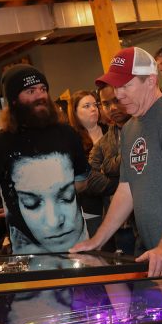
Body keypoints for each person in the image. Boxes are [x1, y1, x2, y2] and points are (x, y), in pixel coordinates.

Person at [70, 47, 162, 277]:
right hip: (157, 254)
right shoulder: (131, 127)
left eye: (126, 86)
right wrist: (98, 240)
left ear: (150, 81)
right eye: (116, 87)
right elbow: (126, 188)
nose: (118, 94)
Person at [0, 65, 90, 256]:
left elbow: (81, 182)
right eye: (30, 91)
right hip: (30, 262)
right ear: (13, 100)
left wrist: (49, 195)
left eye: (43, 89)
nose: (40, 96)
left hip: (81, 253)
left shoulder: (67, 134)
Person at [80, 84, 137, 254]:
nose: (112, 108)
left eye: (116, 101)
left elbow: (144, 164)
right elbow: (90, 180)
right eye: (105, 104)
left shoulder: (145, 128)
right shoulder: (103, 143)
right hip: (121, 224)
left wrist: (109, 167)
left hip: (150, 217)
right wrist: (125, 183)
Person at [68, 90, 107, 235]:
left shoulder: (111, 131)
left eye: (95, 104)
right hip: (90, 208)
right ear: (75, 112)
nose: (93, 109)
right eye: (86, 106)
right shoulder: (72, 140)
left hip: (117, 202)